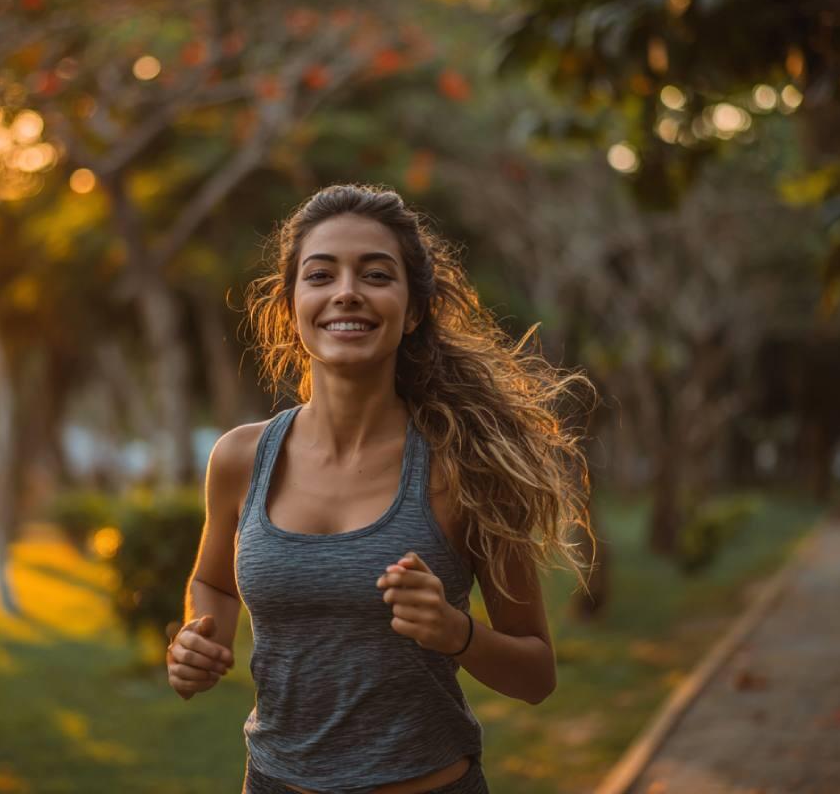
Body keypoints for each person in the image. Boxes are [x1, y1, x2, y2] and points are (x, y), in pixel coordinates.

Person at [165, 184, 597, 794]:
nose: (346, 291)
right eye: (320, 275)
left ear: (412, 309)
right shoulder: (241, 458)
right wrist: (194, 639)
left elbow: (537, 674)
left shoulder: (462, 468)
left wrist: (458, 632)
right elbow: (211, 582)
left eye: (375, 274)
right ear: (291, 304)